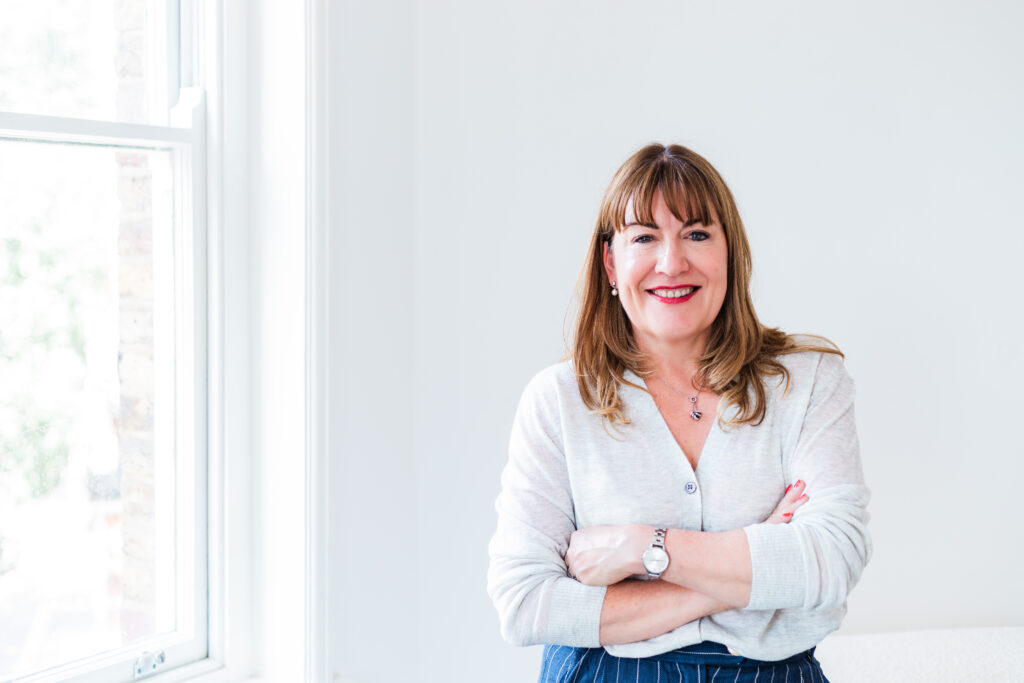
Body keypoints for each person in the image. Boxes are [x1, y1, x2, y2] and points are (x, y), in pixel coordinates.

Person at [487, 143, 872, 682]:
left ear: (728, 253)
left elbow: (831, 561)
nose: (672, 262)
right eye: (645, 237)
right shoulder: (558, 400)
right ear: (610, 262)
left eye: (696, 234)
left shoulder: (807, 382)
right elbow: (526, 604)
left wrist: (640, 547)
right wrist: (747, 571)